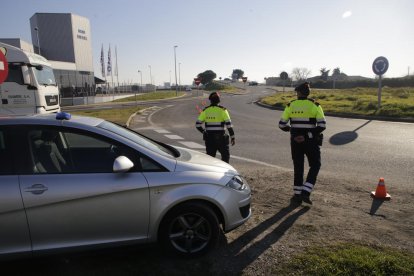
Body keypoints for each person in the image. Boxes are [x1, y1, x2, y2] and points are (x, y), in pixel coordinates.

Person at [279, 82, 326, 204]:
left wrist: (294, 133)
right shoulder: (315, 105)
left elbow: (281, 125)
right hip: (311, 141)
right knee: (315, 165)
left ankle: (297, 195)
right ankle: (306, 191)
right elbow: (322, 125)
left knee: (298, 167)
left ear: (298, 93)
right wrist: (307, 135)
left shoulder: (290, 105)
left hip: (295, 142)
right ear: (308, 93)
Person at [196, 92, 235, 163]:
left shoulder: (205, 110)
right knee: (225, 157)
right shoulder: (223, 110)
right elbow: (229, 125)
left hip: (209, 139)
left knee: (210, 160)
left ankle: (211, 173)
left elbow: (198, 125)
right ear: (219, 100)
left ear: (210, 100)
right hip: (221, 139)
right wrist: (232, 137)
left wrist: (204, 132)